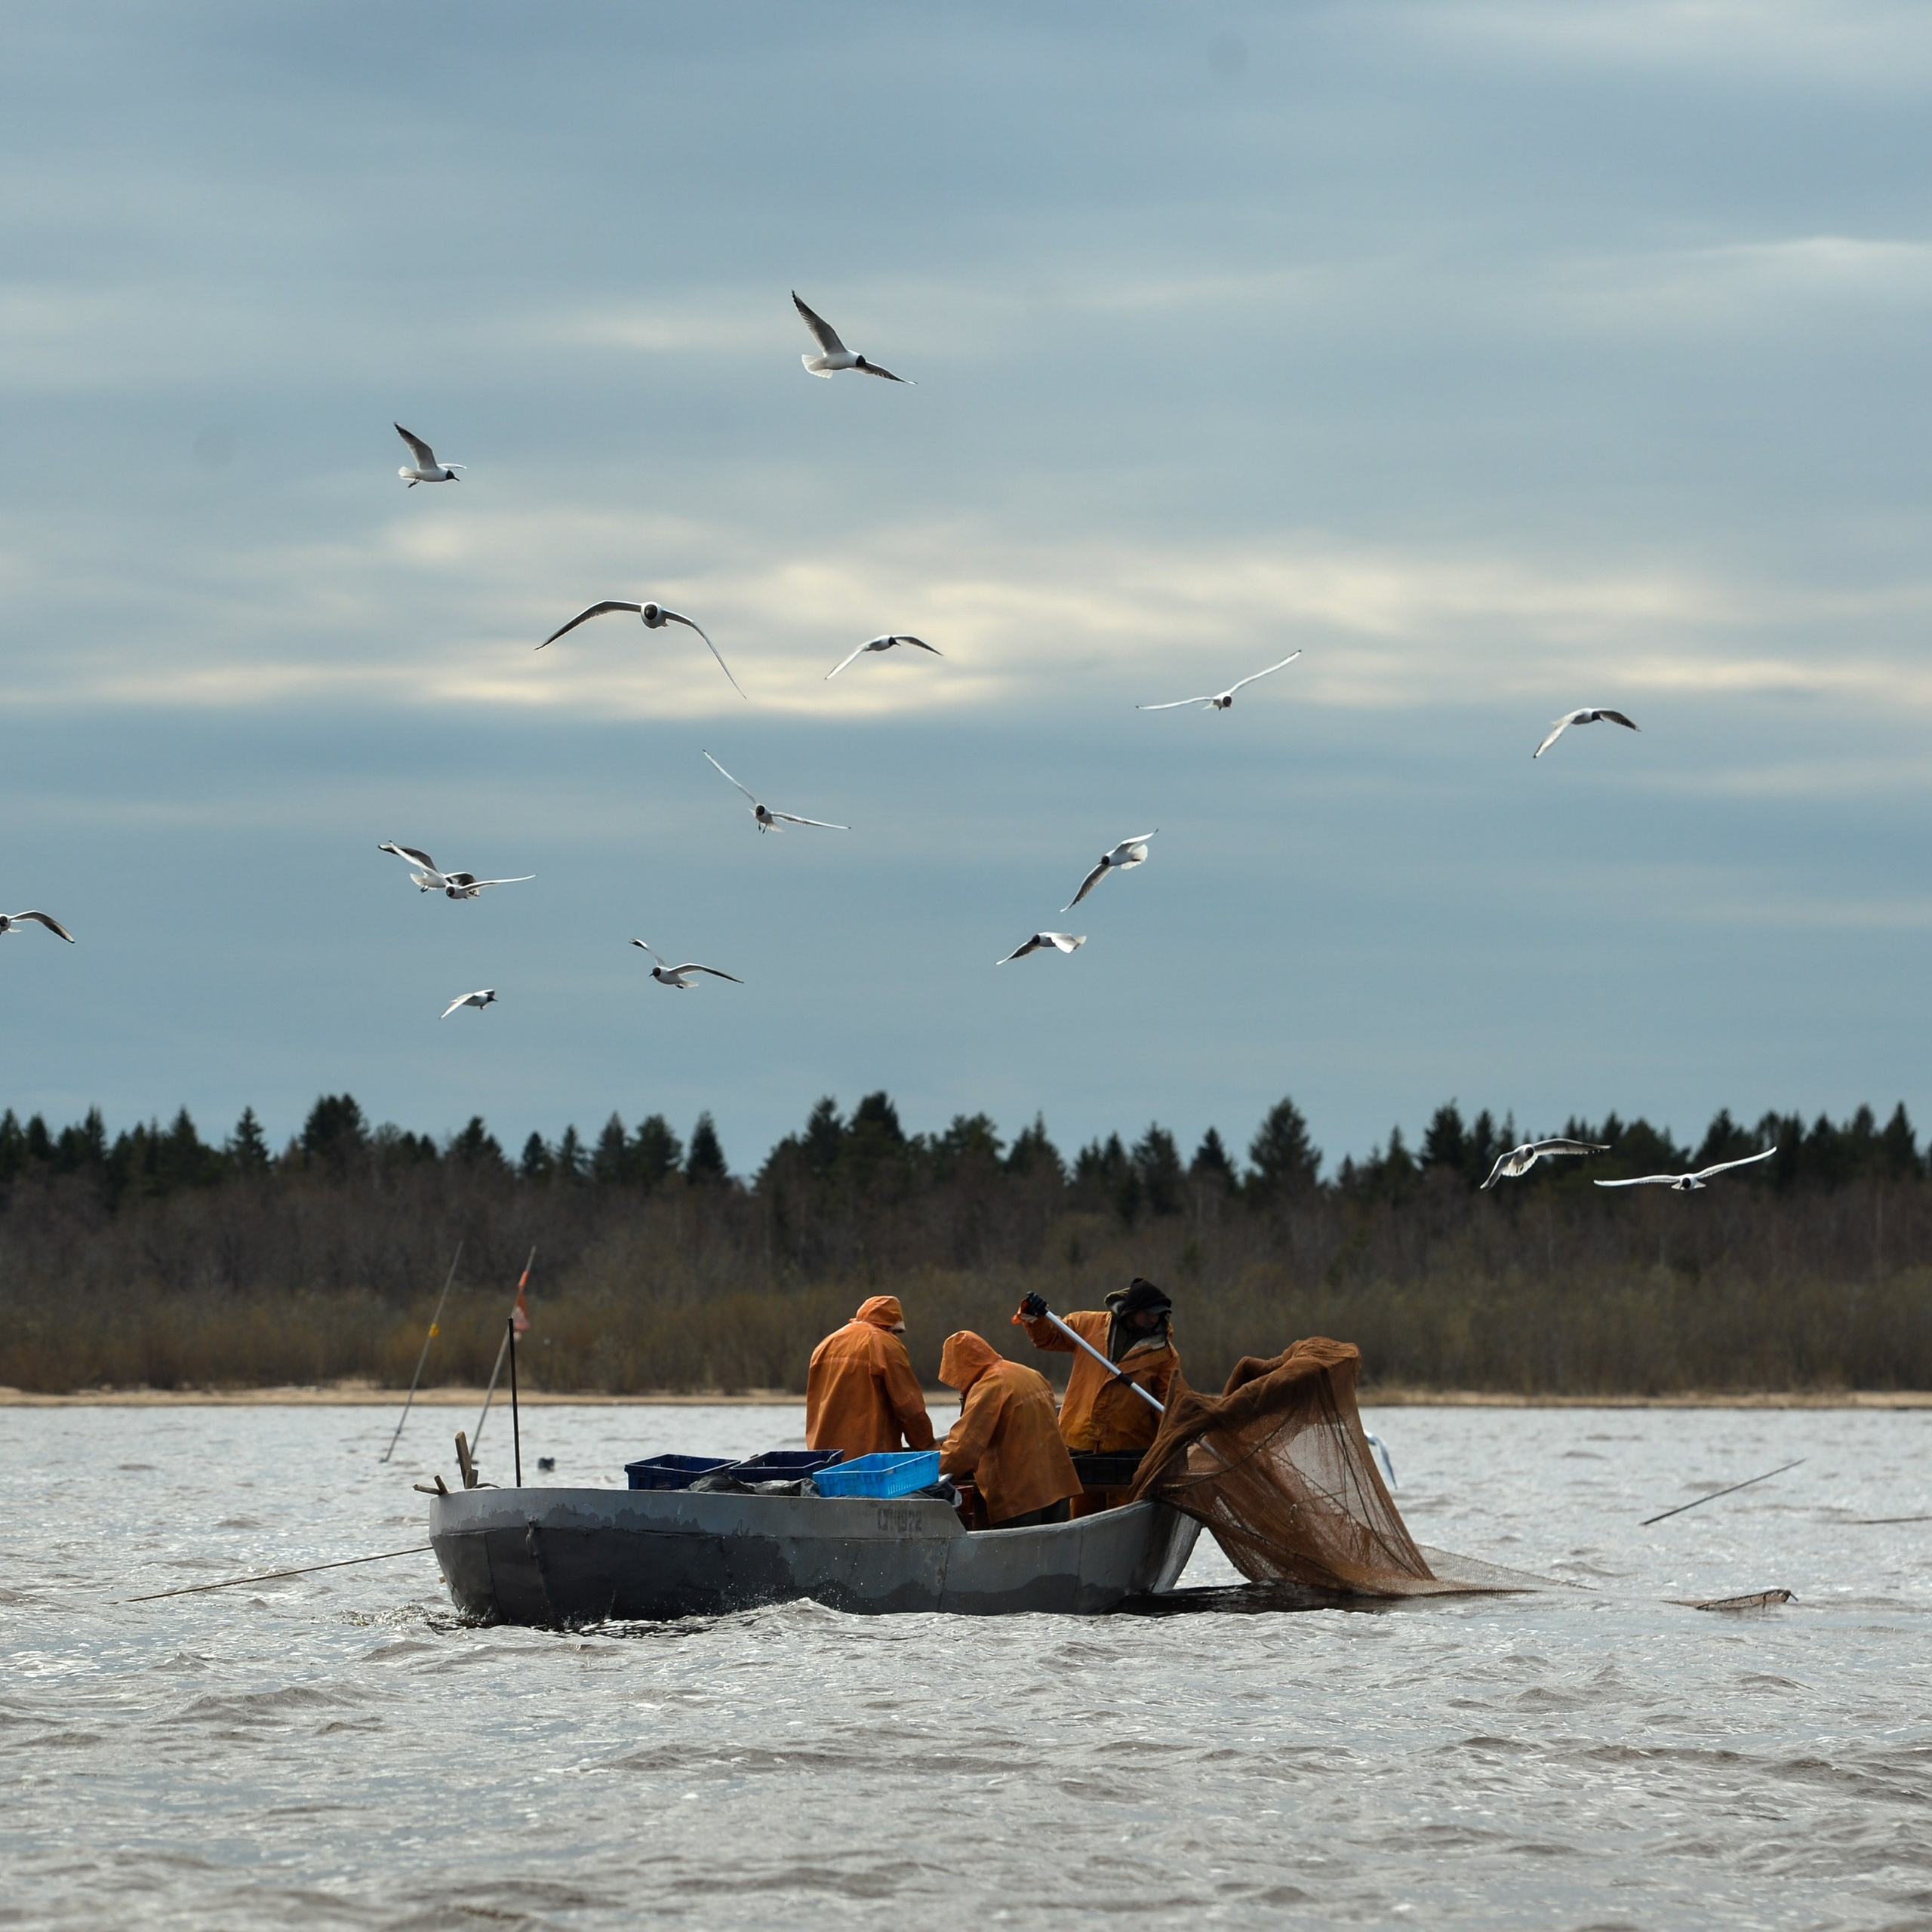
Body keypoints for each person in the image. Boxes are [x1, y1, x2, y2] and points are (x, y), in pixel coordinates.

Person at [1014, 1278, 1179, 1515]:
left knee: (1123, 1512)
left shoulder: (1165, 1354)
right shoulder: (1088, 1325)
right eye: (1149, 1314)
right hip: (1079, 1444)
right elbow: (1048, 1337)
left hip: (1129, 1453)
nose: (1154, 1319)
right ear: (1132, 1311)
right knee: (1079, 1511)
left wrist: (1174, 1439)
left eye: (1159, 1314)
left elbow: (1167, 1403)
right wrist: (1033, 1316)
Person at [936, 1331, 1081, 1528]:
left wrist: (931, 1474)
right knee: (1053, 1554)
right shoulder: (1030, 1374)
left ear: (958, 1366)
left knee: (1019, 1556)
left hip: (1021, 1497)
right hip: (1058, 1486)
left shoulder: (990, 1386)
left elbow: (963, 1449)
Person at [804, 1295, 934, 1460]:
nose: (897, 1336)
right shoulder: (886, 1344)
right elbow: (908, 1406)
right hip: (871, 1459)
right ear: (891, 1326)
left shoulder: (826, 1344)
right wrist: (928, 1447)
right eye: (897, 1332)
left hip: (824, 1459)